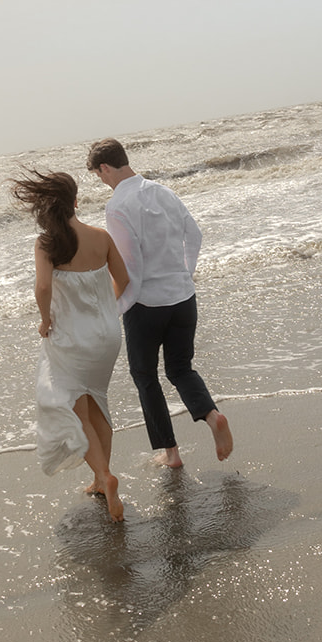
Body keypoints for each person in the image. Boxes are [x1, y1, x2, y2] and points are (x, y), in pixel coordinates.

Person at [86, 138, 233, 469]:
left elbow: (131, 267)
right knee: (181, 368)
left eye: (99, 175)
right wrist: (183, 274)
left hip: (146, 305)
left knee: (145, 376)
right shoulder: (163, 191)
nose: (102, 180)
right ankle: (212, 417)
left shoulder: (117, 205)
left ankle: (171, 453)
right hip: (183, 297)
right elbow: (194, 235)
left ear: (105, 168)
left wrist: (117, 306)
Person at [10, 169, 129, 520]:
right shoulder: (101, 237)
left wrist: (45, 320)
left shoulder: (47, 244)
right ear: (76, 201)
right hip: (106, 336)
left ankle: (105, 477)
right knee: (99, 405)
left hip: (71, 340)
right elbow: (123, 280)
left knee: (78, 412)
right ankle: (98, 478)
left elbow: (43, 288)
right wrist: (107, 311)